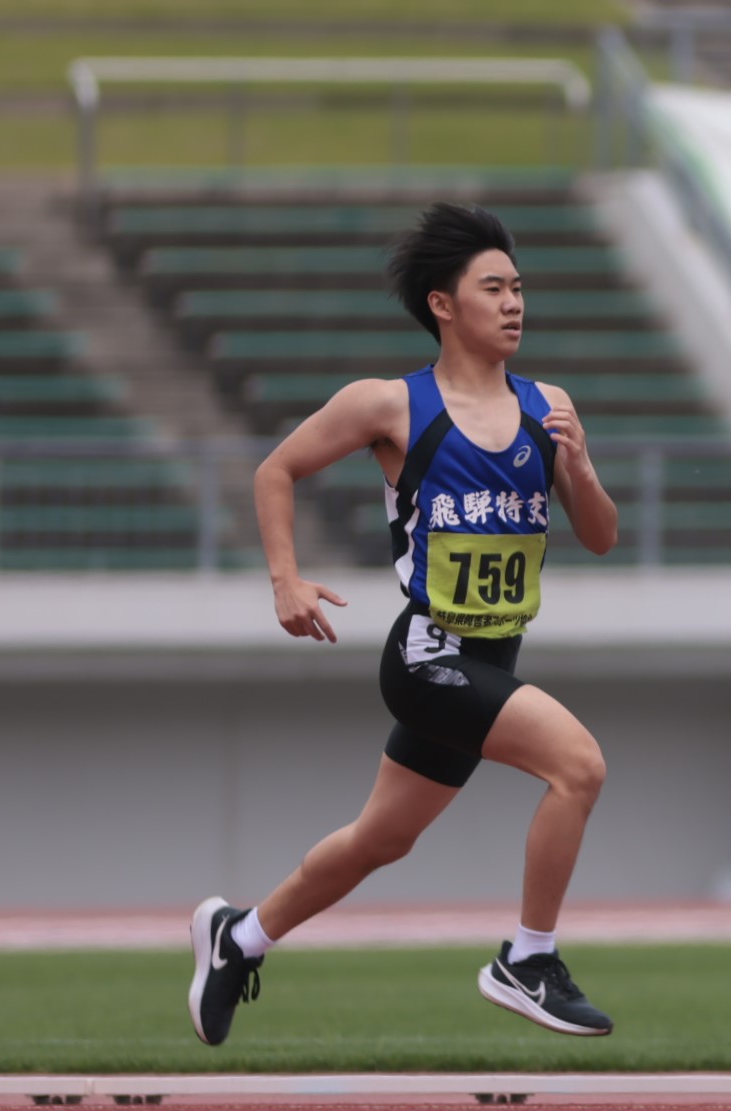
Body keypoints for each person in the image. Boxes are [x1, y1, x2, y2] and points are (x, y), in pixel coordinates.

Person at [188, 202, 621, 1047]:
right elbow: (277, 471)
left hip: (493, 654)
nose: (513, 303)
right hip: (429, 654)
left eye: (519, 288)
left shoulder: (549, 407)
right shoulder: (390, 404)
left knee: (377, 842)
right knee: (579, 766)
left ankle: (238, 938)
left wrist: (578, 464)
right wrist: (286, 582)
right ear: (442, 304)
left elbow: (600, 536)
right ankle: (528, 959)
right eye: (492, 287)